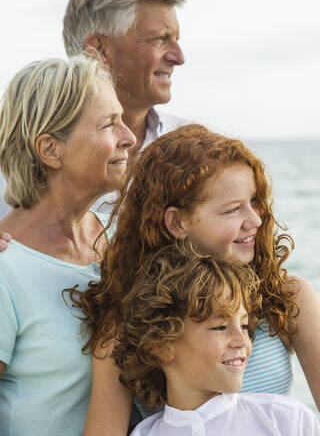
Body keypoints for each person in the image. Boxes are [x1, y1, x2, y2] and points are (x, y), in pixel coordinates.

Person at [73, 124, 320, 434]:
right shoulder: (127, 320)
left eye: (254, 201)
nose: (256, 220)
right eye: (232, 209)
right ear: (178, 221)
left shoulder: (288, 296)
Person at [0, 54, 136, 435]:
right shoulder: (6, 267)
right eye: (109, 124)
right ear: (50, 150)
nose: (130, 137)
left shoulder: (115, 242)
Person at [0, 0, 190, 220]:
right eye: (158, 39)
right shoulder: (10, 169)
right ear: (98, 50)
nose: (178, 57)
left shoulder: (194, 149)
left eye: (176, 39)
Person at [112, 244, 320, 436]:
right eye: (220, 327)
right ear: (160, 345)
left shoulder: (287, 419)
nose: (242, 341)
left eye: (245, 326)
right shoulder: (144, 433)